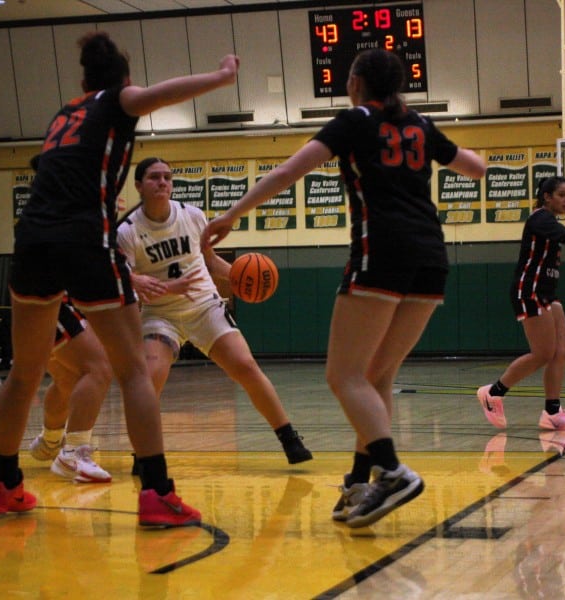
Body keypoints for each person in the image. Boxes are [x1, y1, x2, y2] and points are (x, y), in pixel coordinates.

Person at [202, 48, 486, 528]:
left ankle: (392, 471)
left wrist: (231, 215)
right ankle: (361, 478)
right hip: (431, 259)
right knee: (377, 376)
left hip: (383, 253)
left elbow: (289, 171)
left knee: (343, 375)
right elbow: (476, 168)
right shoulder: (418, 124)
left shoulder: (354, 121)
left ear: (356, 82)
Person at [0, 30, 240, 529]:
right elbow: (161, 94)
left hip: (31, 238)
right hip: (83, 237)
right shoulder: (116, 101)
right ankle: (158, 494)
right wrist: (223, 75)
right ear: (122, 81)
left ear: (82, 79)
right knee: (132, 371)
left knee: (25, 372)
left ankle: (3, 482)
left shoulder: (63, 114)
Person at [117, 157, 313, 467]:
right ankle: (144, 453)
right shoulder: (127, 231)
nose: (163, 182)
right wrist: (157, 285)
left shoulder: (193, 216)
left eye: (168, 176)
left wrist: (240, 277)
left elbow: (210, 262)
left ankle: (289, 438)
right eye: (155, 177)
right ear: (139, 186)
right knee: (150, 377)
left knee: (246, 366)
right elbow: (126, 279)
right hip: (160, 315)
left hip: (204, 306)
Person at [476, 176, 565, 431]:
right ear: (547, 196)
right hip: (530, 291)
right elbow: (555, 231)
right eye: (562, 194)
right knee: (543, 353)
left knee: (562, 349)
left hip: (548, 292)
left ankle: (552, 412)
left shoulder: (550, 221)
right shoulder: (539, 217)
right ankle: (493, 393)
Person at [28, 298, 113, 483]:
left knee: (68, 380)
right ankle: (73, 453)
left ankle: (50, 442)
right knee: (98, 369)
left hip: (73, 301)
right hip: (56, 298)